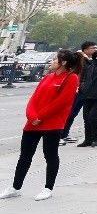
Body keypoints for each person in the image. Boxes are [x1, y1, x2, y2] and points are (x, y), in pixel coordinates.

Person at [2, 49, 83, 201]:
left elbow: (62, 102)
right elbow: (34, 98)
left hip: (52, 124)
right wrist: (32, 116)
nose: (51, 61)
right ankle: (15, 187)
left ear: (63, 62)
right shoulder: (47, 77)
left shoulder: (71, 78)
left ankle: (48, 188)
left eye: (54, 59)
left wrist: (41, 116)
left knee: (50, 155)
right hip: (33, 123)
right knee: (25, 156)